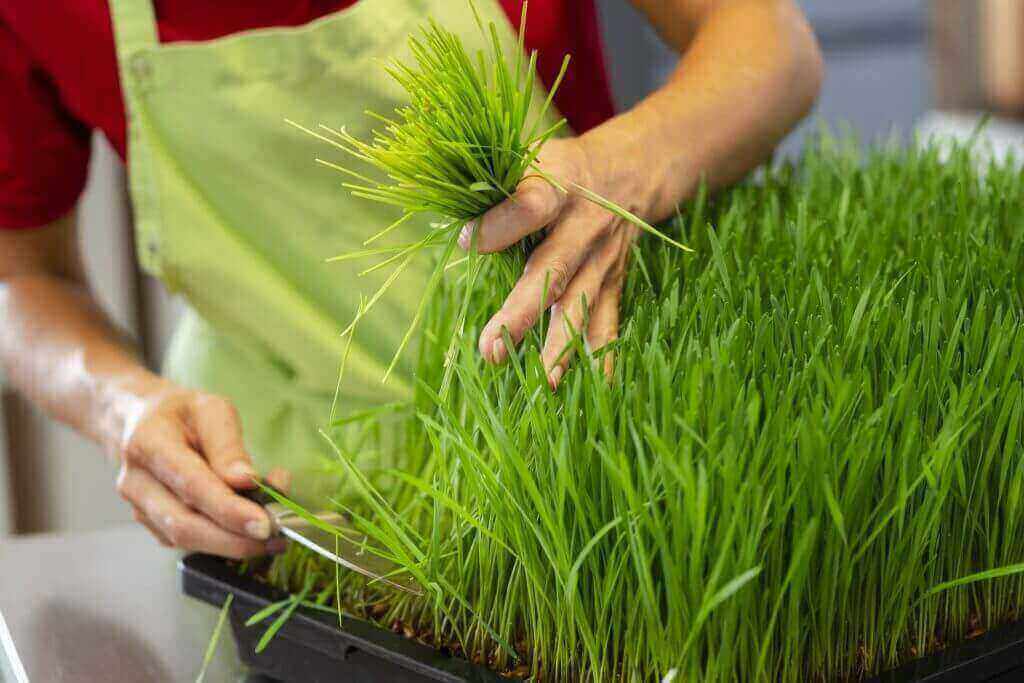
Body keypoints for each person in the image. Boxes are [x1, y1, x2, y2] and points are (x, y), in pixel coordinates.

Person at [0, 1, 822, 559]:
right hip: (285, 504)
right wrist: (120, 403)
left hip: (576, 449)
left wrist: (628, 165)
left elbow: (770, 43)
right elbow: (22, 273)